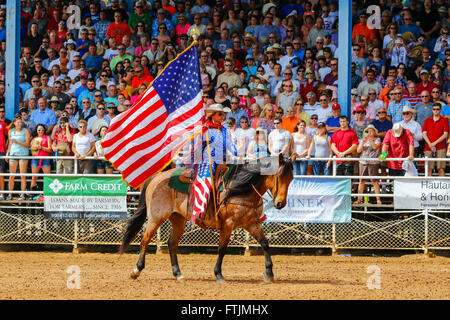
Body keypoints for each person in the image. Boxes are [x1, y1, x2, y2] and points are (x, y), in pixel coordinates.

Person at [355, 125, 382, 205]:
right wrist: (363, 142)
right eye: (367, 131)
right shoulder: (362, 140)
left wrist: (370, 140)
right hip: (363, 162)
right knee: (361, 181)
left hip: (373, 163)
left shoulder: (377, 139)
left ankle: (378, 199)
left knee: (375, 181)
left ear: (374, 132)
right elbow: (358, 150)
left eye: (371, 130)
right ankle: (359, 199)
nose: (369, 132)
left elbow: (375, 147)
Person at [6, 116, 30, 200]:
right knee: (11, 175)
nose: (20, 124)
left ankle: (22, 194)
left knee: (22, 175)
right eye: (18, 122)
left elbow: (27, 144)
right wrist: (7, 153)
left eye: (21, 122)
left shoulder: (25, 131)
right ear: (14, 123)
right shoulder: (10, 131)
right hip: (13, 154)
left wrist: (18, 142)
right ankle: (9, 194)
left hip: (23, 154)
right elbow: (9, 144)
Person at [422, 103, 449, 177]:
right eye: (434, 109)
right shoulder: (427, 120)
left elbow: (445, 134)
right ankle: (428, 187)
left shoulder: (444, 121)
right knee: (428, 168)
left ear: (440, 110)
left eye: (437, 109)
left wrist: (433, 143)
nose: (436, 111)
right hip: (428, 147)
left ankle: (442, 186)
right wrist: (430, 144)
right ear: (432, 110)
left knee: (441, 168)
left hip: (441, 147)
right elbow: (424, 134)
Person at [29, 124, 52, 197]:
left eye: (42, 129)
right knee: (34, 177)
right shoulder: (34, 138)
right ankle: (32, 195)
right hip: (35, 159)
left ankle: (48, 193)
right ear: (36, 130)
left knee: (47, 177)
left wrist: (41, 147)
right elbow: (31, 149)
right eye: (39, 130)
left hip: (45, 159)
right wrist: (34, 148)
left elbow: (50, 149)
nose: (41, 131)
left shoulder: (47, 137)